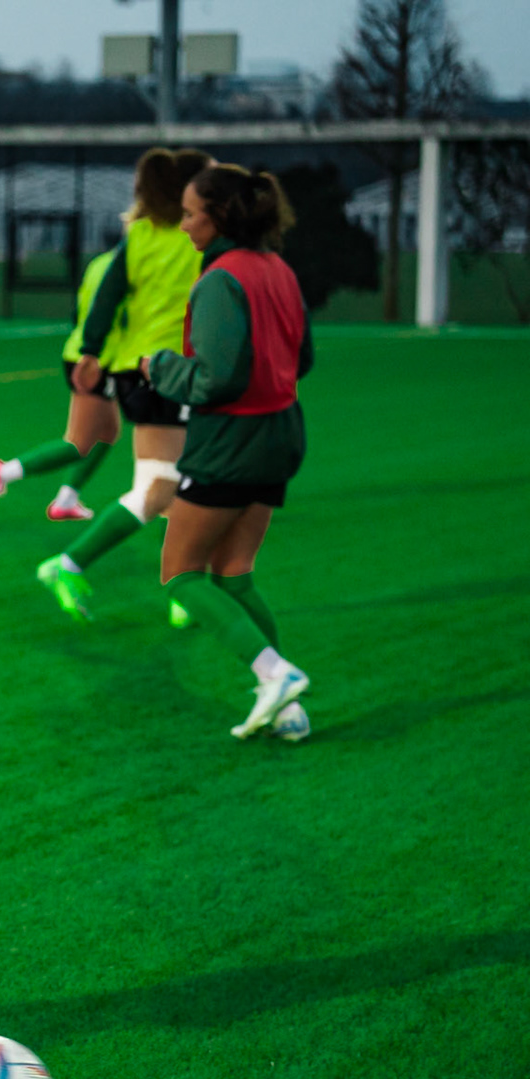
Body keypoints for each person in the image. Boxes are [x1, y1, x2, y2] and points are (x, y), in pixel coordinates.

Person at [146, 164, 314, 740]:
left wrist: (160, 367)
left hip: (231, 440)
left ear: (220, 217)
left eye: (192, 213)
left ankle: (276, 674)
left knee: (180, 574)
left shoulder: (220, 279)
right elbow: (303, 359)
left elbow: (217, 379)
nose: (185, 223)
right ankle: (288, 710)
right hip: (281, 433)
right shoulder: (280, 271)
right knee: (236, 573)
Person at [34, 147, 214, 622]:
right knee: (164, 487)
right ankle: (69, 563)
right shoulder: (201, 238)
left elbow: (108, 296)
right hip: (171, 374)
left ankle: (184, 590)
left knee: (185, 483)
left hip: (138, 370)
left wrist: (91, 351)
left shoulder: (140, 235)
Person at [0, 248, 129, 522]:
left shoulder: (101, 262)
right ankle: (1, 472)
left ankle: (66, 501)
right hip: (96, 361)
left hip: (85, 354)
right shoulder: (128, 265)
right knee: (79, 444)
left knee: (108, 432)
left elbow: (80, 309)